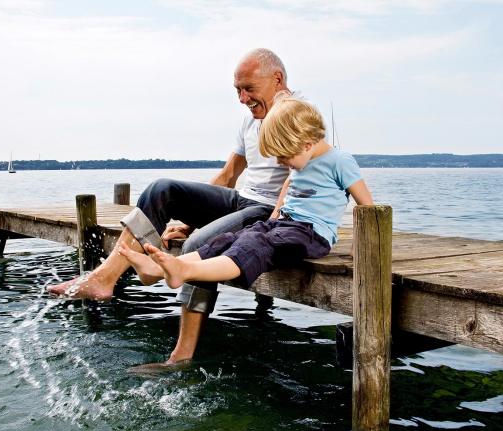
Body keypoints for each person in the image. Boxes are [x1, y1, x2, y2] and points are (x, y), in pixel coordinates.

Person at [47, 48, 292, 366]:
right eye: (237, 90)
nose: (243, 98)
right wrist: (192, 218)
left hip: (268, 211)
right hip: (242, 200)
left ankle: (181, 355)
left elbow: (300, 175)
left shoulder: (296, 113)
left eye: (249, 89)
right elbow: (229, 174)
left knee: (200, 245)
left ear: (277, 79)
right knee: (162, 189)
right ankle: (110, 275)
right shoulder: (250, 122)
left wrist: (273, 222)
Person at [117, 97, 373, 307]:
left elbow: (368, 208)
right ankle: (160, 270)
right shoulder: (301, 161)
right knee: (231, 238)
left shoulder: (340, 161)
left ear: (306, 144)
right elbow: (288, 188)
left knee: (255, 243)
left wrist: (362, 248)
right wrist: (273, 219)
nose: (282, 163)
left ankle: (182, 271)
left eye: (284, 157)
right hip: (284, 225)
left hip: (311, 235)